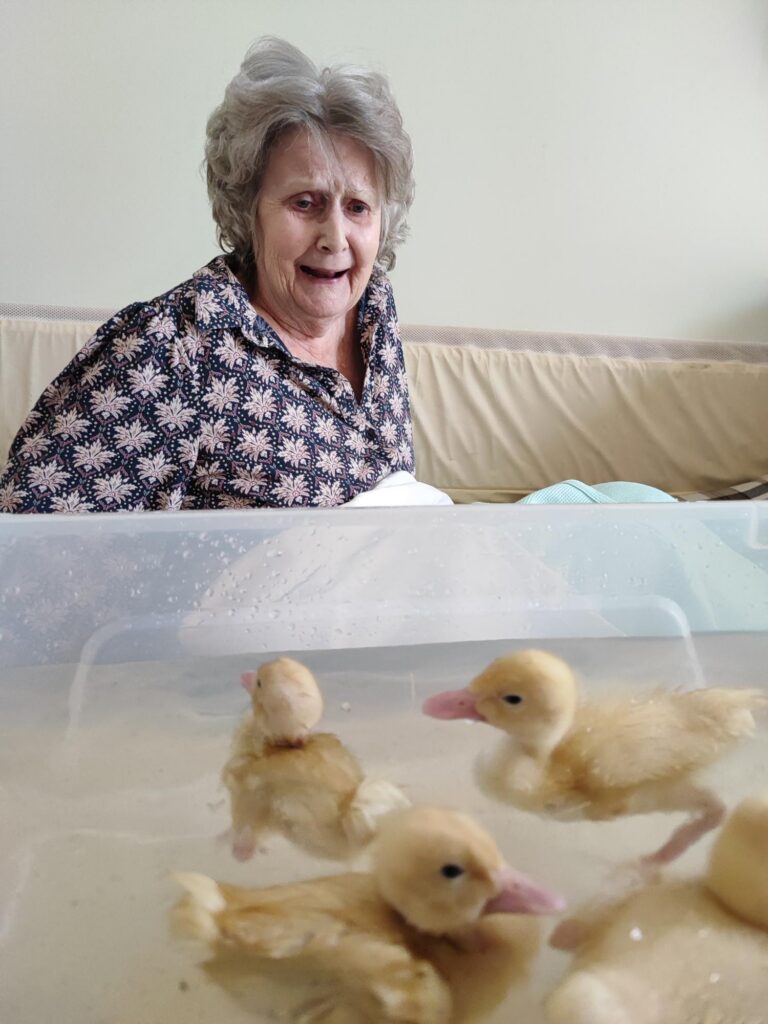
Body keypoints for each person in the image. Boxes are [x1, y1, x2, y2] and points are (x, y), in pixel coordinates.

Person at [0, 37, 415, 514]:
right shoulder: (173, 348)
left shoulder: (375, 312)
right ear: (247, 207)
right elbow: (27, 534)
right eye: (306, 202)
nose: (335, 237)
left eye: (358, 207)